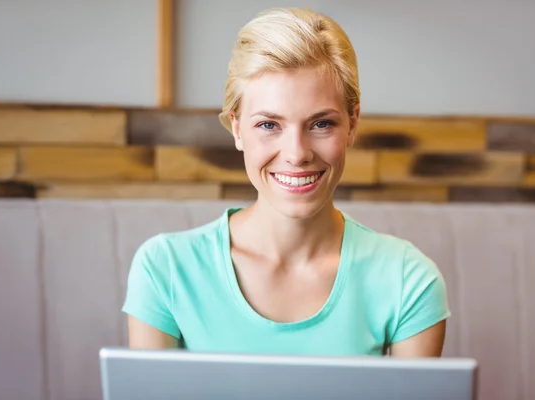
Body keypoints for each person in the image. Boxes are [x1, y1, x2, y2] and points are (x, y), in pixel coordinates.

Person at [122, 7, 450, 357]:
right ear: (237, 127)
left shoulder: (408, 280)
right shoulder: (165, 269)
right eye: (269, 125)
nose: (297, 154)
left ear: (352, 124)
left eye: (321, 123)